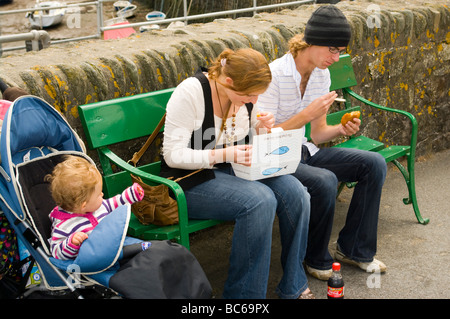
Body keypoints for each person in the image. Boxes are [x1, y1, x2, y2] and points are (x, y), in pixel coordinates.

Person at [161, 48, 312, 299]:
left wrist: (262, 127)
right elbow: (172, 154)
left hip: (233, 169)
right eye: (248, 95)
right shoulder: (191, 92)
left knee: (297, 193)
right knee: (260, 200)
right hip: (190, 179)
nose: (253, 100)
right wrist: (224, 155)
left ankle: (293, 284)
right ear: (227, 81)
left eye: (256, 95)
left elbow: (241, 136)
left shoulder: (243, 95)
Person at [257, 5, 387, 280]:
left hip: (304, 151)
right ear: (311, 40)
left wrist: (341, 128)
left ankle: (353, 249)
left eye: (339, 51)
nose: (335, 57)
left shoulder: (321, 74)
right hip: (273, 155)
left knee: (373, 164)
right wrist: (304, 115)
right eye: (332, 49)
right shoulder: (274, 75)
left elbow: (316, 135)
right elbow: (262, 137)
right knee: (324, 180)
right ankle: (314, 258)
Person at [46, 155, 144, 260]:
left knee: (147, 250)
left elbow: (114, 203)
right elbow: (56, 252)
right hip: (96, 261)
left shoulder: (97, 206)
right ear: (84, 205)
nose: (102, 194)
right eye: (98, 194)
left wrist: (131, 194)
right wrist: (71, 243)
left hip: (116, 247)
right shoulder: (63, 226)